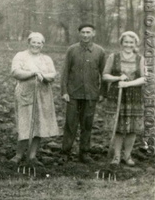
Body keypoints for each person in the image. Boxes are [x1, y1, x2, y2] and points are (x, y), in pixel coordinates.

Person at [10, 32, 59, 166]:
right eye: (34, 42)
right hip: (26, 94)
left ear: (42, 45)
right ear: (29, 42)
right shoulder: (20, 56)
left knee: (39, 124)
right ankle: (18, 155)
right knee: (25, 124)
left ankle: (32, 156)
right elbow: (15, 72)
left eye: (39, 43)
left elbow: (52, 74)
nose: (36, 45)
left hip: (43, 95)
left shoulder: (46, 59)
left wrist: (42, 75)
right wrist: (32, 73)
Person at [60, 23, 107, 163]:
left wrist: (102, 93)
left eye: (88, 32)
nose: (85, 35)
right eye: (83, 32)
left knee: (87, 124)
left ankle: (84, 153)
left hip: (91, 94)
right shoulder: (72, 50)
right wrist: (64, 91)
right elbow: (65, 72)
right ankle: (65, 152)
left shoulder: (100, 51)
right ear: (79, 33)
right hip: (73, 94)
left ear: (93, 33)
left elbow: (104, 73)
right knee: (70, 124)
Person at [102, 31, 146, 166]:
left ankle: (127, 156)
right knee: (118, 126)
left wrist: (128, 83)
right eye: (126, 42)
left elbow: (144, 78)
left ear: (135, 44)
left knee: (132, 128)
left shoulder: (140, 59)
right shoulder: (113, 57)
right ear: (121, 43)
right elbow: (105, 75)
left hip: (134, 95)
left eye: (131, 42)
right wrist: (118, 78)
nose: (128, 45)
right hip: (117, 94)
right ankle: (116, 156)